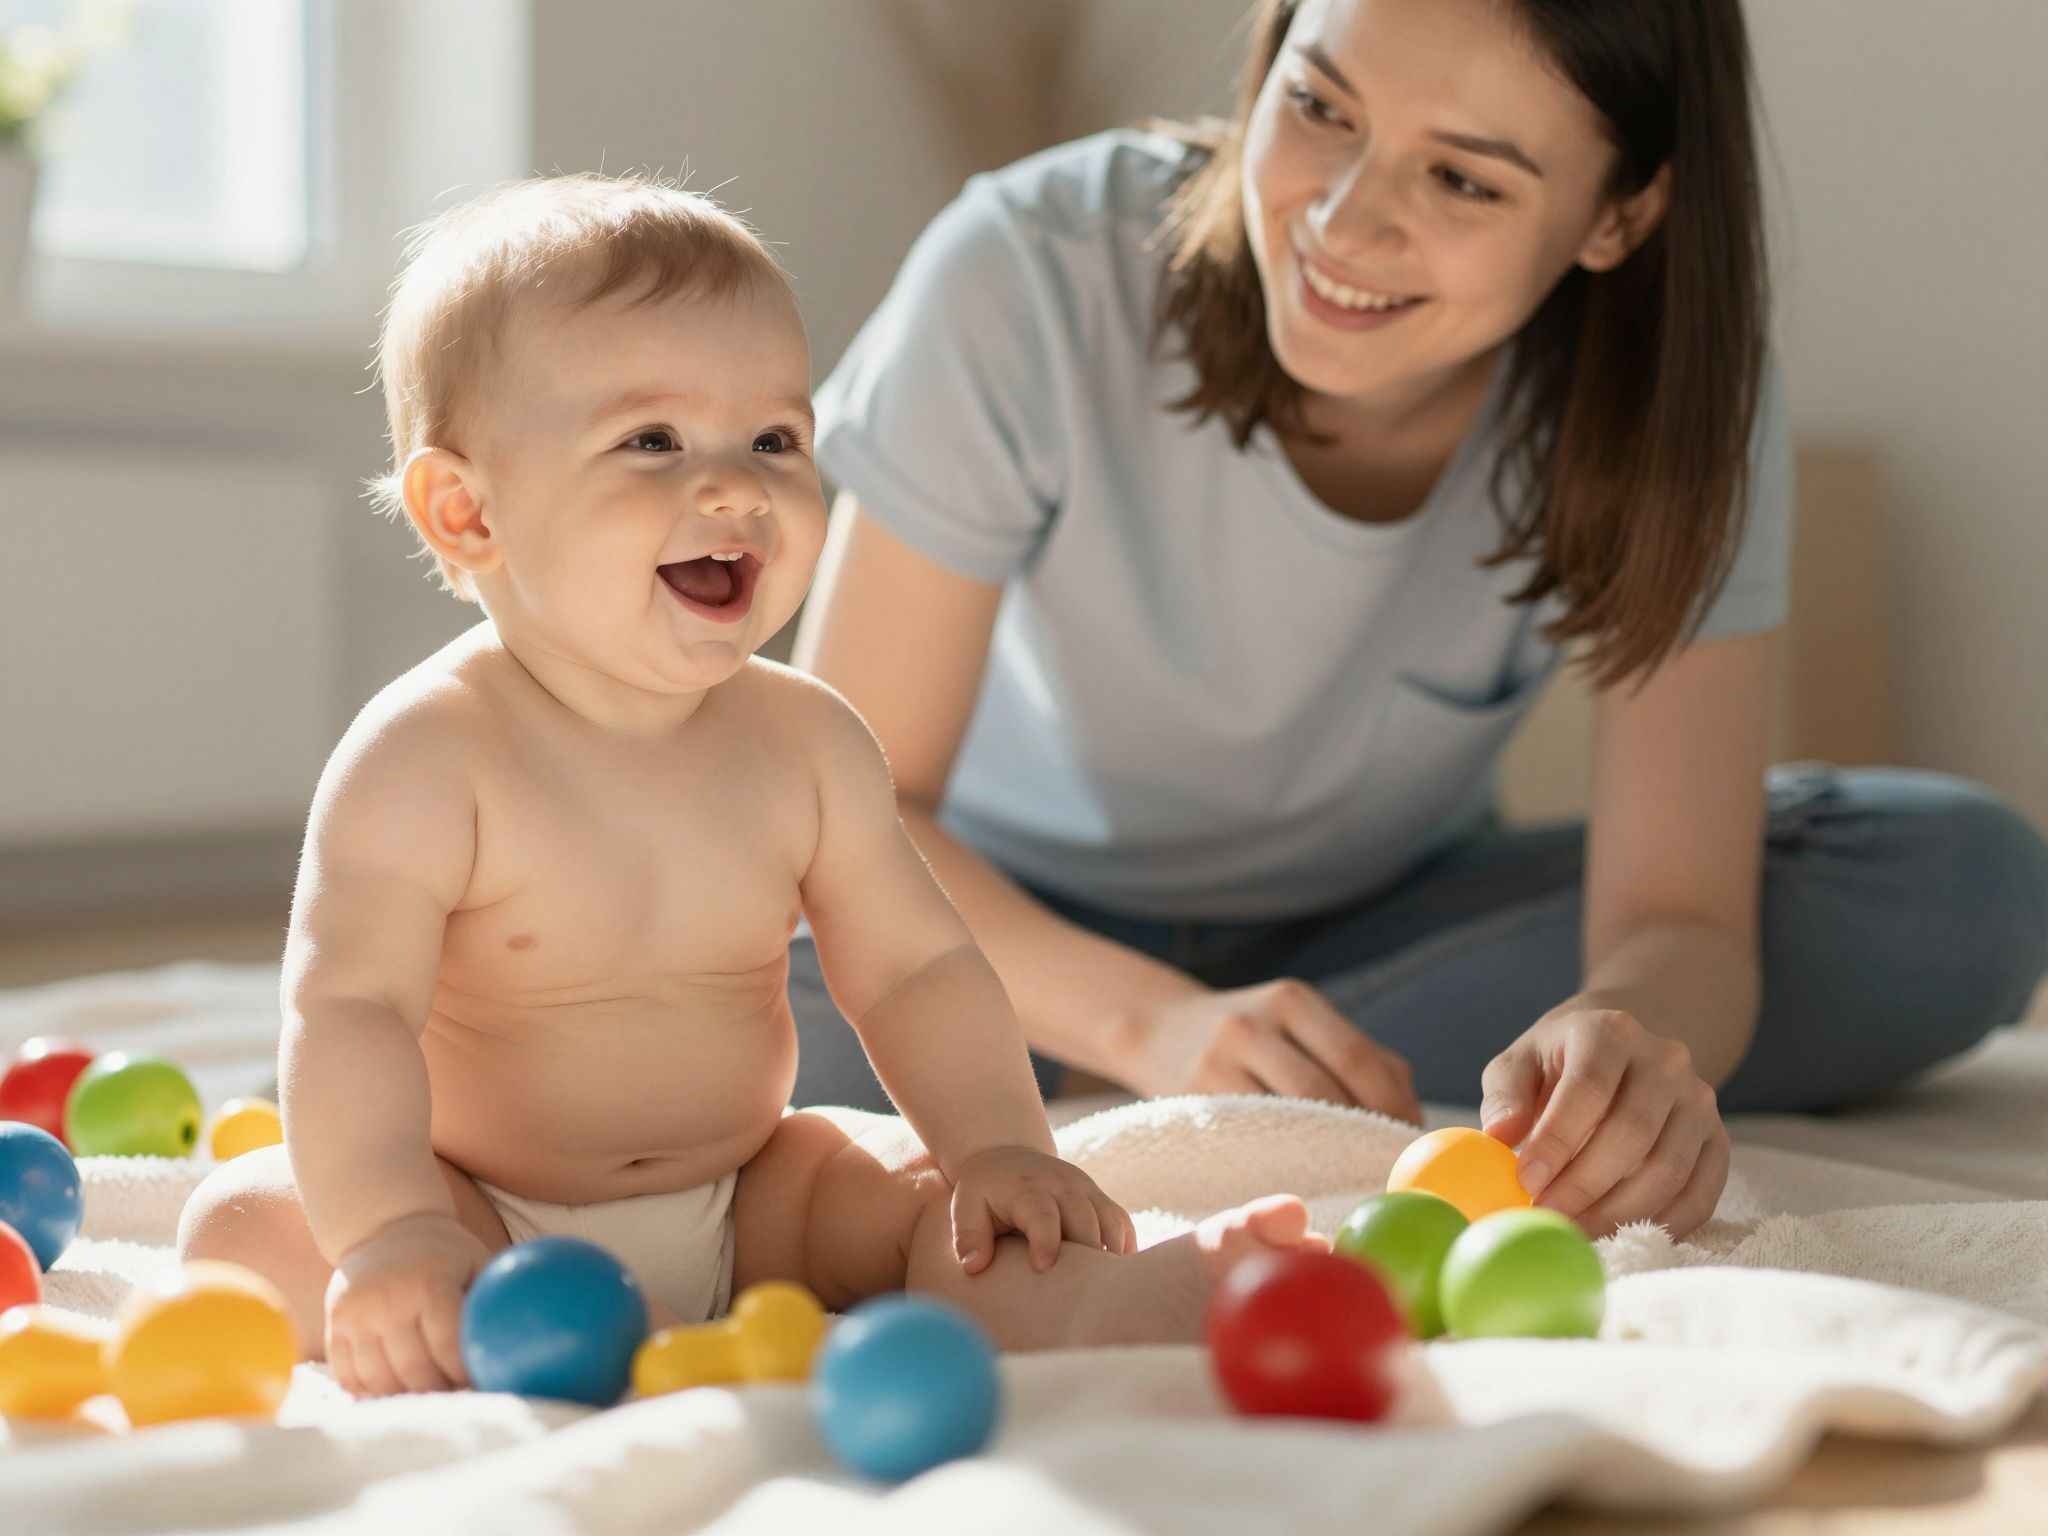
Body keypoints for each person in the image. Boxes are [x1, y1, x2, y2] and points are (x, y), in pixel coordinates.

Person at [790, 0, 2048, 1241]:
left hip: (1397, 917)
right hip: (980, 921)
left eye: (1461, 179)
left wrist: (1622, 1040)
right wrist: (1146, 1022)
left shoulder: (1677, 407)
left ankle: (1266, 1066)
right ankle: (1179, 1062)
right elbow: (854, 820)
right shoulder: (1026, 269)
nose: (1341, 220)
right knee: (721, 989)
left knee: (1960, 884)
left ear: (1619, 214)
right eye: (1318, 104)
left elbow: (1681, 917)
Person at [176, 174, 1326, 1399]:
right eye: (652, 442)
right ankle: (543, 1328)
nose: (736, 487)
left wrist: (998, 1145)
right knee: (245, 1226)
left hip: (747, 1196)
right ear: (467, 512)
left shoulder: (807, 742)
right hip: (484, 1213)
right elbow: (347, 1011)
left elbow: (914, 970)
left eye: (775, 439)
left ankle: (1101, 1304)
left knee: (927, 1199)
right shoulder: (423, 759)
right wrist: (393, 1230)